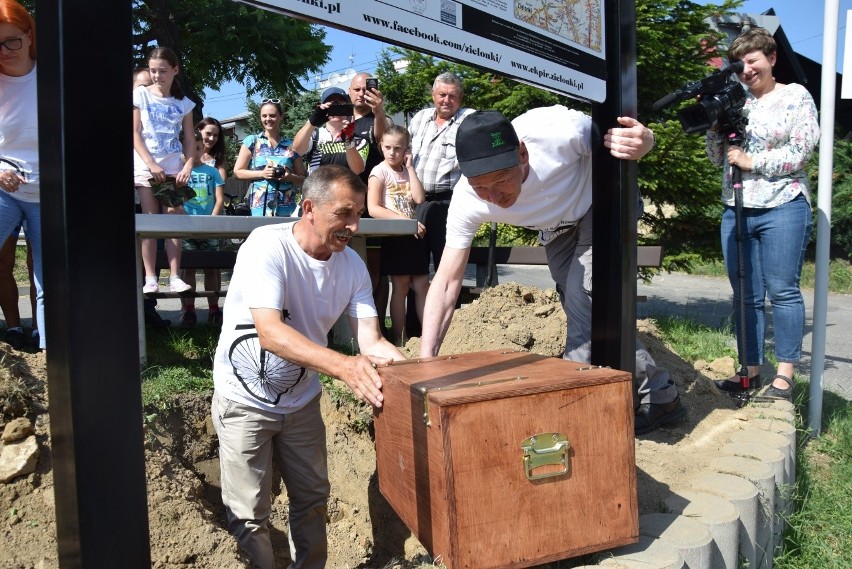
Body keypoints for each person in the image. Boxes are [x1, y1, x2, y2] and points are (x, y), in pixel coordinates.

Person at [419, 107, 685, 435]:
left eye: (500, 181)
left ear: (522, 154)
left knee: (582, 290)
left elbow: (624, 137)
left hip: (604, 199)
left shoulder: (559, 131)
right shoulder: (467, 199)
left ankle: (585, 404)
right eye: (480, 187)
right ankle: (659, 394)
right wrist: (426, 359)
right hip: (559, 225)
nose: (493, 197)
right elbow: (446, 281)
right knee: (579, 300)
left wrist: (647, 141)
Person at [211, 164, 404, 568]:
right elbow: (271, 333)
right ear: (309, 208)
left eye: (357, 216)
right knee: (249, 512)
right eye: (344, 214)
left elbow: (371, 340)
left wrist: (415, 374)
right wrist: (344, 367)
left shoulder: (351, 266)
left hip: (301, 404)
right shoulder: (267, 246)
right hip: (243, 402)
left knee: (312, 500)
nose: (353, 226)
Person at [706, 28, 819, 400]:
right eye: (740, 64)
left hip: (783, 204)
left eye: (752, 61)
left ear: (771, 59)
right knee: (745, 295)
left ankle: (784, 374)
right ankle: (749, 370)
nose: (747, 70)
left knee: (783, 290)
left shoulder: (795, 96)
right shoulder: (735, 100)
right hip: (736, 207)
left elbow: (802, 150)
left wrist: (754, 161)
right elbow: (716, 158)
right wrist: (716, 127)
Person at [0, 0, 44, 351]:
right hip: (3, 189)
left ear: (29, 36)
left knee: (46, 271)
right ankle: (13, 327)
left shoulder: (53, 77)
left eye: (11, 41)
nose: (4, 51)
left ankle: (47, 342)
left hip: (48, 191)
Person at [133, 46, 195, 294]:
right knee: (150, 221)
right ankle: (150, 276)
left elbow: (190, 139)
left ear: (175, 70)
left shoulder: (184, 102)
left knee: (171, 223)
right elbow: (135, 133)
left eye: (163, 71)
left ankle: (175, 275)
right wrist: (150, 163)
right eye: (153, 71)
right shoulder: (140, 95)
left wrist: (187, 165)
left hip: (173, 169)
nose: (157, 76)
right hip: (147, 167)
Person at [367, 125, 428, 345]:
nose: (392, 153)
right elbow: (374, 208)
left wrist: (410, 168)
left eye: (398, 148)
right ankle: (400, 338)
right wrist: (407, 224)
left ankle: (427, 337)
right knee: (400, 287)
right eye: (388, 147)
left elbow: (419, 199)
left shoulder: (406, 171)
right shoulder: (379, 172)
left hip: (413, 235)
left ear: (406, 150)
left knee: (422, 286)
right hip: (395, 236)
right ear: (381, 147)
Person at [408, 72, 475, 271]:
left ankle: (447, 303)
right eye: (442, 95)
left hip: (449, 204)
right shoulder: (420, 118)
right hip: (416, 203)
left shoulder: (468, 120)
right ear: (433, 95)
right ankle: (417, 304)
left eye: (452, 96)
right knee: (415, 270)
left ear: (460, 98)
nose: (446, 100)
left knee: (445, 267)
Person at [349, 73, 392, 329]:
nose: (362, 93)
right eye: (357, 89)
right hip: (342, 203)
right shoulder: (339, 120)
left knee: (374, 269)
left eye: (367, 88)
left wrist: (379, 111)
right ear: (349, 91)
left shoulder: (379, 118)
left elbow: (382, 139)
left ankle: (374, 326)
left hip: (372, 203)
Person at [178, 131, 225, 326]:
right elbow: (176, 201)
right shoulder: (180, 172)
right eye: (190, 148)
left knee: (211, 269)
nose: (194, 152)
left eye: (198, 148)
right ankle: (189, 309)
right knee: (189, 269)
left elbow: (219, 199)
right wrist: (185, 222)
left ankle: (213, 308)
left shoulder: (212, 172)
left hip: (209, 227)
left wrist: (211, 223)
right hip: (188, 227)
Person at [233, 98, 305, 217]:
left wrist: (290, 177)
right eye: (264, 116)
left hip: (287, 208)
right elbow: (237, 172)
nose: (268, 119)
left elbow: (303, 179)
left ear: (281, 116)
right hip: (259, 208)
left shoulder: (291, 145)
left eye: (272, 115)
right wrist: (262, 173)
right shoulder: (252, 141)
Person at [292, 86, 368, 176]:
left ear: (346, 107)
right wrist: (312, 121)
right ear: (323, 107)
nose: (335, 107)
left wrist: (349, 139)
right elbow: (298, 149)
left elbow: (357, 169)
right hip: (318, 189)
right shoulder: (314, 136)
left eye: (340, 104)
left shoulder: (359, 140)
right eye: (331, 104)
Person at [0, 229, 35, 349]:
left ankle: (40, 330)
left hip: (40, 210)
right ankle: (14, 329)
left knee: (38, 263)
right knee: (2, 262)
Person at [196, 116, 229, 182]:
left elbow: (221, 182)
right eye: (208, 134)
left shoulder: (219, 158)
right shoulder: (188, 155)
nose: (212, 138)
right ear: (199, 131)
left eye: (215, 135)